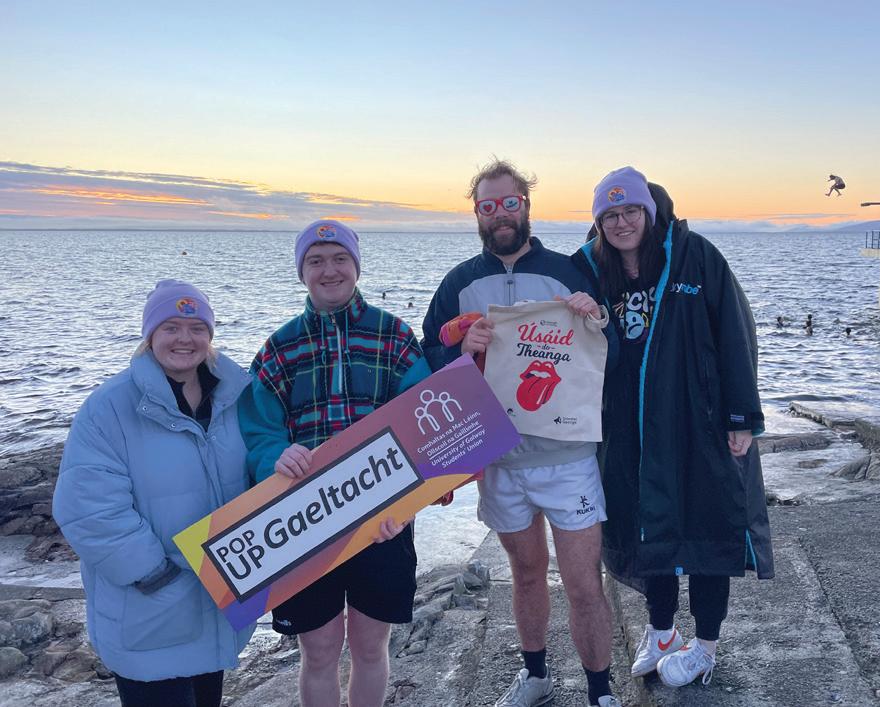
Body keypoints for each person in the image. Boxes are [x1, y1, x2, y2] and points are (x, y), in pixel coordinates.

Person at [422, 159, 621, 707]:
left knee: (584, 584)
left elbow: (612, 354)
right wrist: (459, 352)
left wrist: (594, 316)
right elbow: (426, 360)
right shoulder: (459, 283)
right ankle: (535, 677)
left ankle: (601, 692)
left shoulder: (569, 271)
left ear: (526, 205)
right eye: (488, 206)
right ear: (477, 214)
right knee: (526, 575)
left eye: (510, 202)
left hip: (568, 456)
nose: (500, 214)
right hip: (499, 460)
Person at [571, 167, 774, 689]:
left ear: (649, 211)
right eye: (610, 215)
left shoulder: (696, 255)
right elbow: (555, 336)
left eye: (630, 211)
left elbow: (735, 333)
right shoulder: (589, 268)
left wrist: (741, 418)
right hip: (629, 426)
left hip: (698, 420)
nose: (622, 223)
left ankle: (706, 644)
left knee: (707, 526)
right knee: (648, 525)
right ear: (598, 222)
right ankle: (661, 631)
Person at [238, 220, 430, 707]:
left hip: (382, 517)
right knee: (320, 651)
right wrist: (275, 456)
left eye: (340, 258)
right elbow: (258, 431)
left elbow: (424, 426)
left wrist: (408, 505)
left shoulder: (394, 335)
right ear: (302, 271)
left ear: (356, 266)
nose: (329, 270)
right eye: (316, 260)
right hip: (306, 520)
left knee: (370, 646)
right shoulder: (280, 347)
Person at [52, 280, 254, 707]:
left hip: (217, 605)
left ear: (210, 335)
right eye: (171, 327)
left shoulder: (237, 397)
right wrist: (155, 573)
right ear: (150, 335)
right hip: (149, 613)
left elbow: (260, 475)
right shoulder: (108, 407)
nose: (185, 339)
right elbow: (87, 507)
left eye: (197, 328)